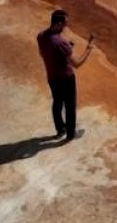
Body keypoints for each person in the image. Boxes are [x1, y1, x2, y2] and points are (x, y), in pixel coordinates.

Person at [36, 9, 95, 142]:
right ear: (59, 23)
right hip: (66, 78)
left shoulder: (41, 36)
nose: (66, 26)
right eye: (65, 23)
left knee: (57, 103)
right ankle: (70, 134)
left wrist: (66, 49)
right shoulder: (60, 43)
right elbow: (77, 64)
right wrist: (89, 48)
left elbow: (43, 53)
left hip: (52, 77)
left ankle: (60, 129)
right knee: (69, 105)